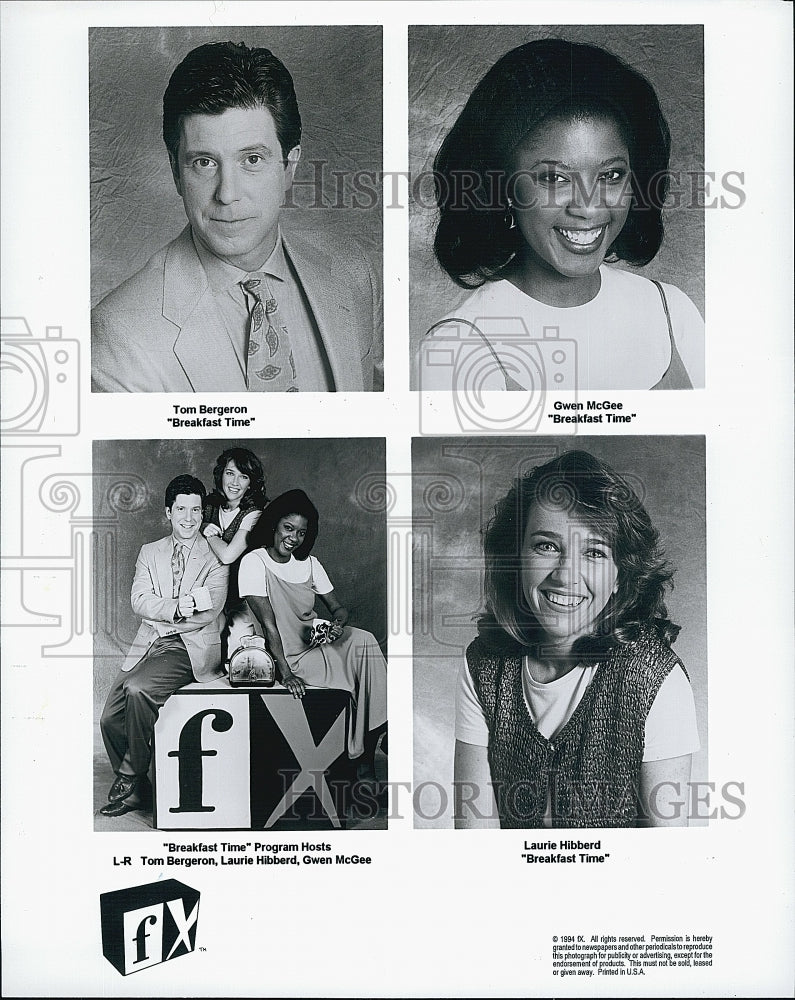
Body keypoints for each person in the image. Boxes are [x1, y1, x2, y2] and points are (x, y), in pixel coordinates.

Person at [92, 40, 381, 393]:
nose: (227, 194)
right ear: (175, 173)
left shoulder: (352, 271)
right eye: (204, 163)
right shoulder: (119, 335)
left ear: (289, 167)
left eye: (252, 160)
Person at [419, 39, 704, 391]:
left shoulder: (673, 311)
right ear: (503, 186)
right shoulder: (458, 347)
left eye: (611, 175)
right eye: (554, 178)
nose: (588, 207)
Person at [454, 450, 700, 829]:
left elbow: (664, 863)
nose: (566, 575)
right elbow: (474, 842)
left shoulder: (653, 677)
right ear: (516, 555)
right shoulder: (484, 666)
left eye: (594, 552)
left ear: (621, 575)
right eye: (546, 545)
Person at [99, 475, 228, 817]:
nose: (189, 518)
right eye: (182, 509)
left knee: (139, 690)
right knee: (109, 718)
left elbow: (208, 611)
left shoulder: (217, 556)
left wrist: (165, 612)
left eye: (197, 510)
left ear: (204, 514)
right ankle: (140, 790)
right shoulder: (149, 552)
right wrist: (173, 607)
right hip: (149, 643)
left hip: (191, 647)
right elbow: (138, 600)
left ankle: (131, 774)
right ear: (168, 512)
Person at [237, 489, 387, 782]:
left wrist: (337, 624)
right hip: (285, 656)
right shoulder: (254, 562)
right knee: (357, 677)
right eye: (288, 528)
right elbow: (270, 626)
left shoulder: (310, 564)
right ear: (274, 525)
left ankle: (378, 736)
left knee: (365, 640)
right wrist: (286, 673)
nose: (293, 538)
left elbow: (339, 608)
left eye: (301, 533)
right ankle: (367, 757)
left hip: (315, 645)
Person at [201, 447, 268, 660]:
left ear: (251, 483)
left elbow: (228, 555)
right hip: (210, 597)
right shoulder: (209, 506)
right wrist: (201, 524)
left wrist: (208, 534)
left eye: (243, 476)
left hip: (242, 601)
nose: (234, 482)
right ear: (221, 474)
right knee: (206, 658)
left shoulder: (254, 513)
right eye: (230, 473)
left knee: (241, 659)